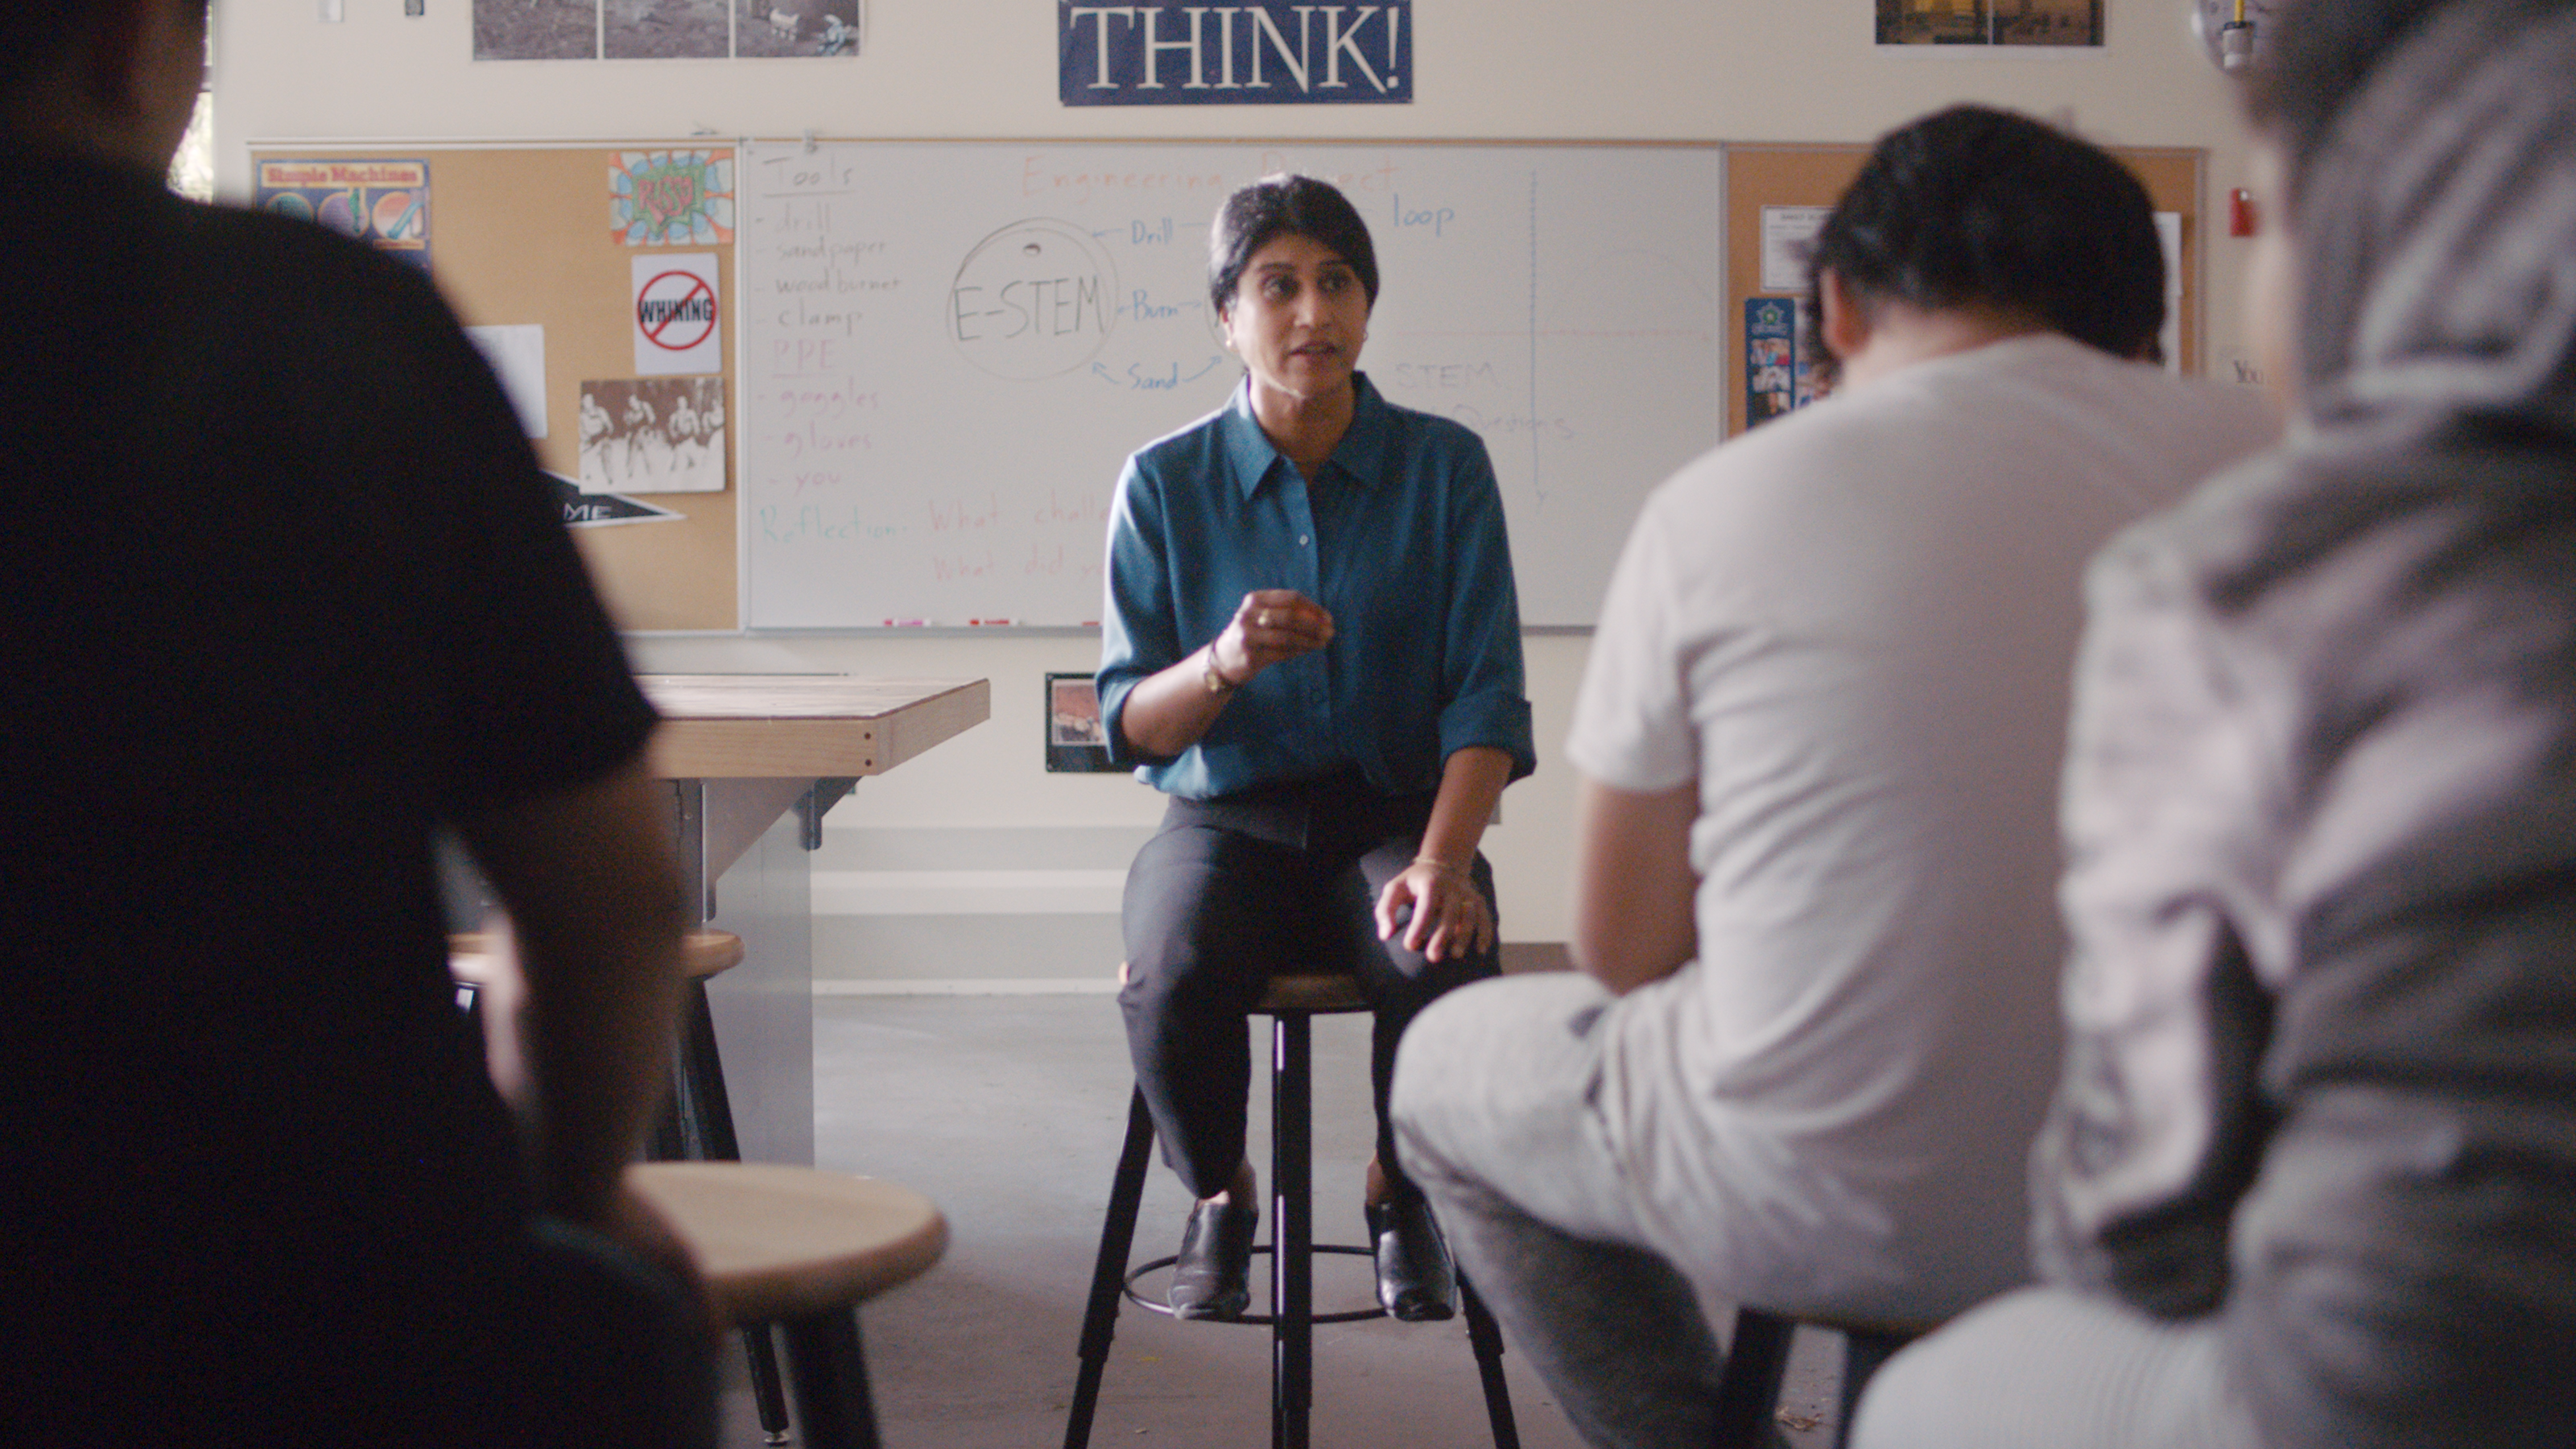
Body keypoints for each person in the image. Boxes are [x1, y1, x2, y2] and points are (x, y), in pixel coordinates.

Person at [1389, 105, 2280, 1448]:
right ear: (2144, 320)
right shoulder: (2283, 471)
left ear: (1842, 305)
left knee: (1446, 1073)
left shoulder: (1719, 504)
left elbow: (1626, 955)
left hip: (1813, 1200)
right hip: (2217, 1201)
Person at [1852, 5, 2576, 1447]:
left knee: (1930, 1403)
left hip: (2413, 1381)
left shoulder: (2250, 578)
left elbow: (2143, 1217)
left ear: (2383, 224)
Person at [0, 2, 713, 1443]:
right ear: (139, 44)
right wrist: (577, 1198)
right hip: (314, 1286)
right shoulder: (323, 321)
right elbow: (613, 905)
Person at [1096, 174, 1536, 1324]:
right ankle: (1222, 1199)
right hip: (1224, 822)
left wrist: (1444, 860)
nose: (1310, 314)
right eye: (1276, 286)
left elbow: (1489, 697)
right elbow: (1129, 722)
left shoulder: (1446, 469)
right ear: (1225, 317)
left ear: (1369, 306)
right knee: (1169, 970)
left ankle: (1401, 1194)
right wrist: (1224, 664)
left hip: (1393, 819)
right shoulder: (1162, 482)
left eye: (1336, 283)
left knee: (1442, 954)